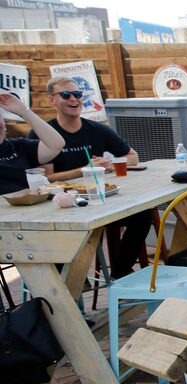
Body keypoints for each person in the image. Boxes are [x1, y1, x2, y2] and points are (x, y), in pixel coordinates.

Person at [31, 77, 149, 279]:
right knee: (63, 235)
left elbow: (133, 157)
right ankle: (70, 281)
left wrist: (112, 163)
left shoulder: (96, 129)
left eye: (77, 94)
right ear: (52, 100)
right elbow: (47, 178)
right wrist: (84, 169)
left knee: (142, 215)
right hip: (62, 207)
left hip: (99, 200)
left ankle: (120, 271)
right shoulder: (45, 134)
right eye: (66, 95)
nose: (74, 99)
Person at [0, 93, 65, 195]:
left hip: (28, 207)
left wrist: (24, 111)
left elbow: (56, 145)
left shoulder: (18, 146)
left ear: (4, 124)